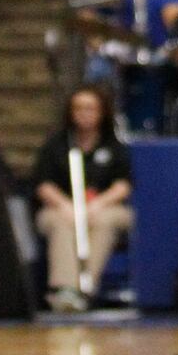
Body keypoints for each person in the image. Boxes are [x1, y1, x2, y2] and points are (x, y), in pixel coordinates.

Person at [31, 86, 133, 313]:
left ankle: (84, 288)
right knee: (60, 220)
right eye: (78, 108)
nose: (84, 113)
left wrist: (97, 205)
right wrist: (66, 206)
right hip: (61, 208)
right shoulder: (56, 145)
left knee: (106, 220)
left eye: (90, 108)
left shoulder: (114, 146)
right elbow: (43, 184)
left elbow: (123, 185)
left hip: (104, 208)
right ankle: (65, 289)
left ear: (102, 112)